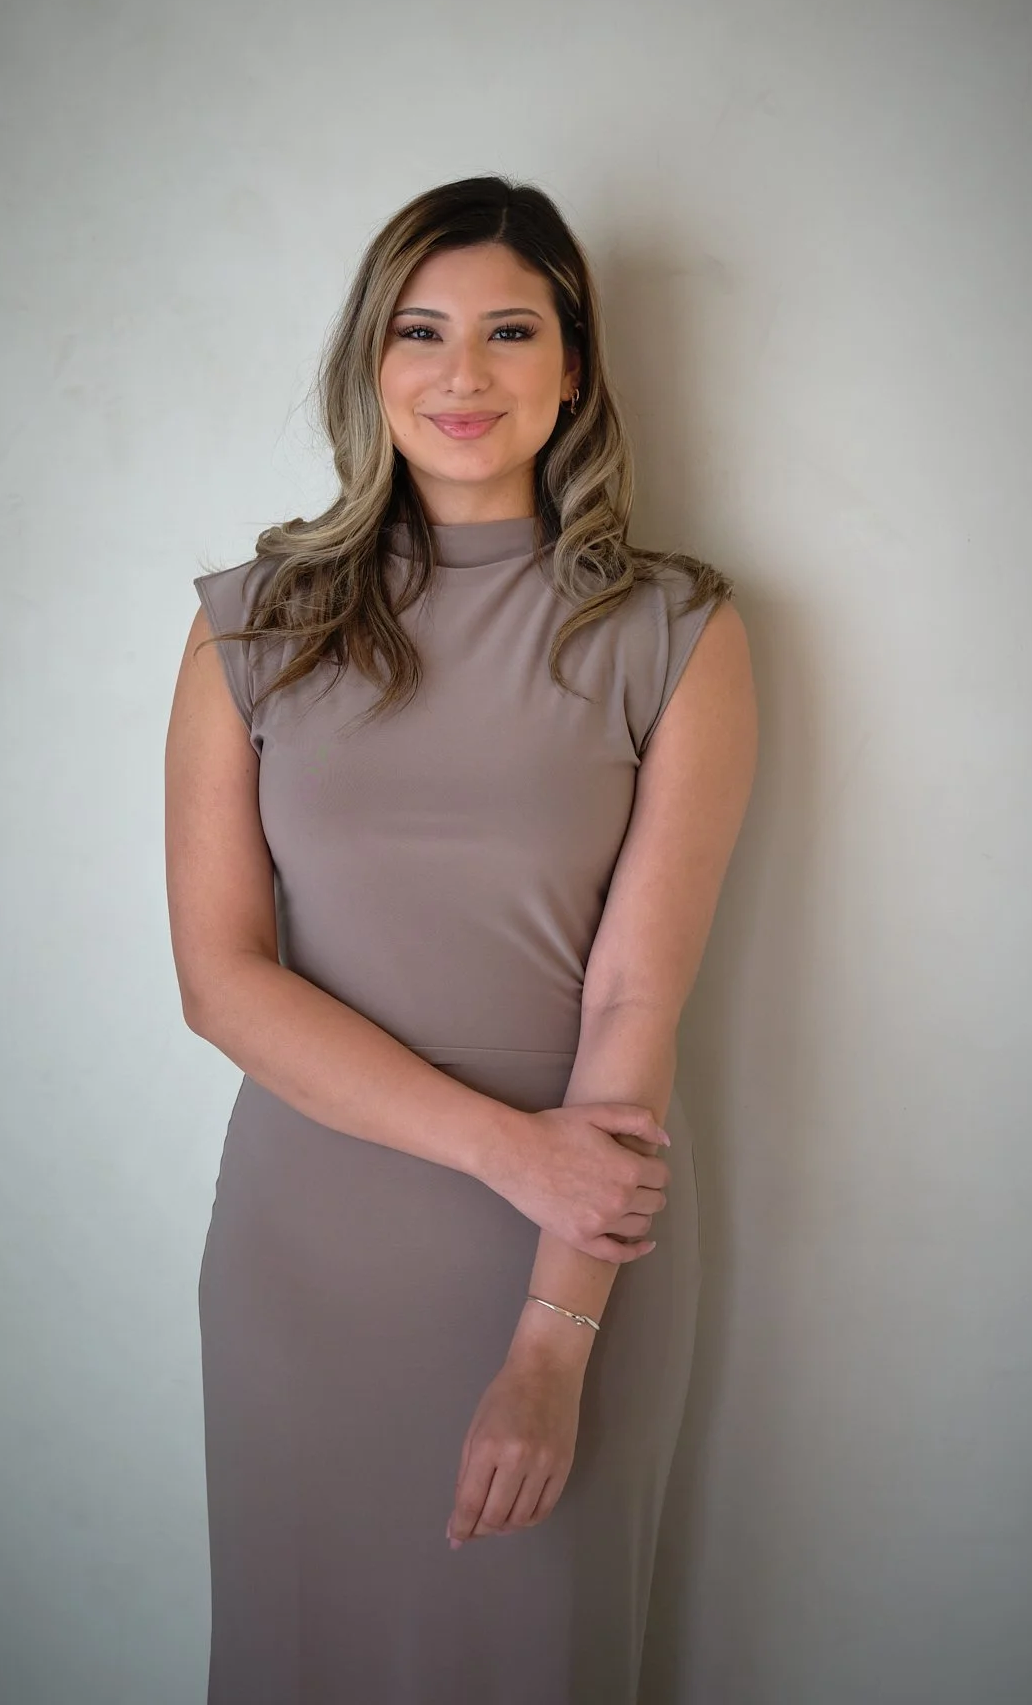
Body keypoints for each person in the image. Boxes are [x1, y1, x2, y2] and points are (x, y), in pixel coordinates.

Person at [164, 174, 758, 1704]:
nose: (464, 373)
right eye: (420, 332)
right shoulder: (251, 625)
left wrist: (552, 1347)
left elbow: (635, 992)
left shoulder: (678, 630)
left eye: (511, 331)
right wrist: (505, 1146)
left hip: (569, 1251)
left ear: (574, 370)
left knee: (533, 1658)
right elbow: (220, 980)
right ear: (373, 366)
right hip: (311, 1241)